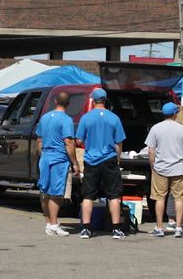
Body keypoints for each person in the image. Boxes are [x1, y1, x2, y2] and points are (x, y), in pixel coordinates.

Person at [73, 88, 127, 240]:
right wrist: (118, 158)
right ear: (105, 100)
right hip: (109, 159)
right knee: (114, 195)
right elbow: (119, 142)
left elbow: (79, 140)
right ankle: (116, 229)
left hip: (91, 160)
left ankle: (85, 228)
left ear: (93, 100)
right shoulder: (114, 118)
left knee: (88, 196)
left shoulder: (86, 118)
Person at [145, 102, 183, 238]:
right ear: (175, 114)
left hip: (160, 168)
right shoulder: (182, 129)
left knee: (159, 198)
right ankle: (179, 228)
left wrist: (152, 165)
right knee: (179, 199)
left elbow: (151, 150)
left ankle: (159, 227)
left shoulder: (156, 128)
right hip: (178, 168)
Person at [35, 91, 76, 236]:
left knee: (45, 191)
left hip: (45, 156)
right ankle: (53, 224)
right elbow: (68, 142)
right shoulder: (66, 120)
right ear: (68, 104)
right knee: (56, 193)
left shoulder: (44, 118)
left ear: (55, 102)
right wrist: (75, 162)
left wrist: (43, 155)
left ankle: (49, 223)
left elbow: (39, 140)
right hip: (59, 158)